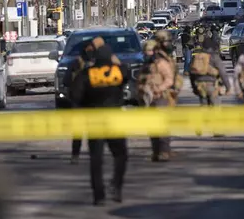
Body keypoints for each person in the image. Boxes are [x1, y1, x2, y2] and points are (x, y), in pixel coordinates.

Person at [69, 37, 129, 205]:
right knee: (121, 155)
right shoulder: (118, 72)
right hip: (115, 120)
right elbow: (127, 73)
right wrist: (115, 61)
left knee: (96, 159)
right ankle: (116, 186)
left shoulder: (87, 74)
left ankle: (99, 195)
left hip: (94, 120)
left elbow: (75, 95)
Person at [137, 30, 181, 162]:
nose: (147, 54)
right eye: (145, 51)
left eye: (149, 51)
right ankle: (156, 151)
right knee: (152, 128)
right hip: (149, 100)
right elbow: (139, 80)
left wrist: (158, 89)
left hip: (161, 97)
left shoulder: (161, 63)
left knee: (162, 127)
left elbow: (169, 79)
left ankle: (164, 152)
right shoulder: (145, 66)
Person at [63, 39, 99, 165]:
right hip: (91, 102)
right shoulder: (97, 64)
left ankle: (76, 156)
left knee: (79, 132)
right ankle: (93, 155)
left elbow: (66, 82)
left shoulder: (76, 63)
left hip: (80, 103)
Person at [190, 37, 233, 107]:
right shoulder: (214, 57)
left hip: (200, 86)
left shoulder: (197, 57)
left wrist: (194, 88)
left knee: (204, 108)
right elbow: (223, 72)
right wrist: (228, 87)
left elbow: (191, 73)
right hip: (212, 85)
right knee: (215, 109)